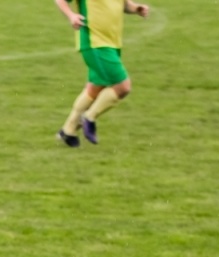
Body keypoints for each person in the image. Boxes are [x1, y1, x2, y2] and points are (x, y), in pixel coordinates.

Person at [54, 0, 150, 147]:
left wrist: (136, 8)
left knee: (96, 87)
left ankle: (68, 130)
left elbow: (123, 4)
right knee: (123, 86)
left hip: (112, 43)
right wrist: (71, 16)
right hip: (95, 42)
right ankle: (89, 117)